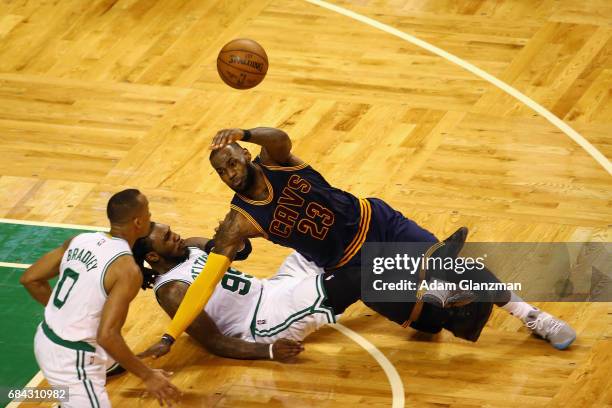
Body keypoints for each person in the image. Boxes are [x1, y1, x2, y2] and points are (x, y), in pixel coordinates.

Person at [144, 128, 575, 357]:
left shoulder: (274, 159)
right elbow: (203, 285)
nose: (229, 172)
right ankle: (433, 294)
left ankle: (533, 316)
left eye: (230, 161)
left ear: (244, 155)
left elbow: (277, 137)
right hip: (349, 262)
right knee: (434, 325)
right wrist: (170, 333)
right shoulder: (238, 223)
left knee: (451, 264)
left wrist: (244, 131)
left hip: (378, 222)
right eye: (221, 172)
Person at [138, 223, 575, 361]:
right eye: (164, 238)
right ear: (152, 260)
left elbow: (241, 249)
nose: (173, 235)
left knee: (339, 244)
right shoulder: (171, 293)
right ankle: (429, 270)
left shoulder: (191, 248)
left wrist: (244, 234)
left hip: (273, 286)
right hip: (266, 320)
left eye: (169, 229)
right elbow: (214, 343)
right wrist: (270, 353)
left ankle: (441, 308)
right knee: (359, 277)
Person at [20, 189, 180, 407]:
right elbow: (107, 336)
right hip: (72, 358)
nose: (150, 217)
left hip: (45, 336)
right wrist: (148, 375)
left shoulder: (80, 239)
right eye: (148, 214)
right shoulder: (127, 270)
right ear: (138, 222)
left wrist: (67, 316)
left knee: (106, 351)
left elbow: (30, 279)